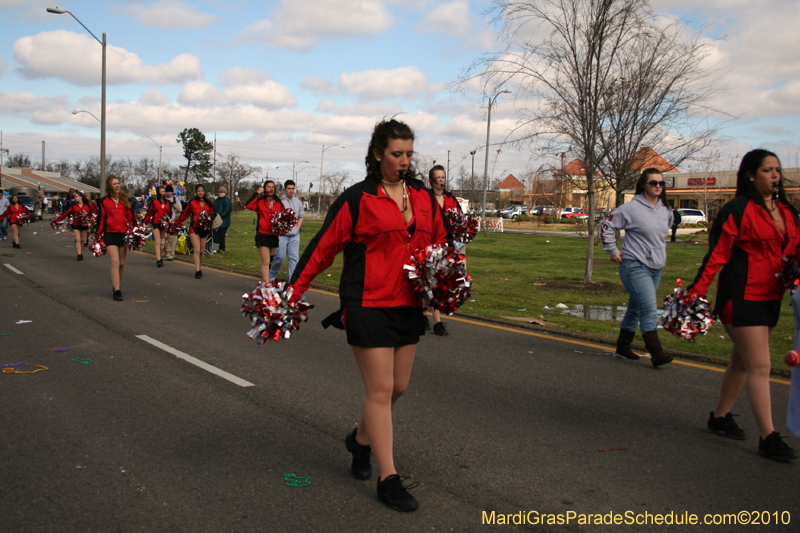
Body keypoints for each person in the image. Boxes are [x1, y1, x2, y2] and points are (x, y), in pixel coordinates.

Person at [289, 119, 450, 512]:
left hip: (408, 305)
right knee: (379, 391)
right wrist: (292, 292)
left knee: (398, 388)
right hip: (367, 304)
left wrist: (445, 282)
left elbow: (441, 246)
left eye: (410, 154)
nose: (405, 161)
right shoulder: (356, 199)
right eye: (397, 154)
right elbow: (322, 248)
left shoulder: (425, 198)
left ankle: (360, 442)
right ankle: (388, 477)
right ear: (378, 154)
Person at [689, 149, 799, 462]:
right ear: (750, 174)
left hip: (771, 297)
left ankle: (720, 416)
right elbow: (717, 255)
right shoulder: (737, 209)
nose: (775, 175)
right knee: (760, 367)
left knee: (742, 363)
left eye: (777, 170)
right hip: (741, 295)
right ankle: (769, 437)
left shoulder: (787, 211)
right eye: (767, 170)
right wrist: (697, 292)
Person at [600, 168, 673, 367]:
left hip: (655, 267)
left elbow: (667, 227)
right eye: (653, 183)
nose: (658, 186)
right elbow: (605, 224)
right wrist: (613, 250)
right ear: (643, 185)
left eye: (661, 183)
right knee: (649, 309)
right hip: (634, 266)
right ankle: (656, 353)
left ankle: (623, 346)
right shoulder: (631, 208)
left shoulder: (665, 209)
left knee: (636, 308)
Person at [428, 164, 462, 336]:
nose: (441, 180)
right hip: (430, 245)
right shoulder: (425, 198)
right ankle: (436, 322)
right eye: (438, 177)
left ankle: (428, 318)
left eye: (443, 177)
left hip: (448, 246)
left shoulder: (450, 198)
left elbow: (461, 222)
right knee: (431, 283)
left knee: (441, 284)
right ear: (431, 179)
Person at [96, 175, 134, 301]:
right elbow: (101, 220)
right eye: (114, 184)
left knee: (122, 264)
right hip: (110, 234)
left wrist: (134, 231)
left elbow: (130, 217)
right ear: (110, 186)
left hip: (123, 234)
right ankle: (117, 290)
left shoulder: (125, 200)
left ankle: (116, 284)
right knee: (115, 262)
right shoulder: (103, 201)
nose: (117, 185)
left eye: (118, 183)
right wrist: (98, 235)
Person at [245, 180, 283, 281]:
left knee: (271, 261)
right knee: (265, 261)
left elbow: (283, 217)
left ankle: (268, 280)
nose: (271, 189)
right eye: (268, 187)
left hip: (274, 235)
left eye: (272, 187)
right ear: (264, 188)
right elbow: (248, 205)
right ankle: (266, 285)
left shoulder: (278, 203)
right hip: (262, 234)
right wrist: (257, 193)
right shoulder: (260, 201)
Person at [177, 184, 215, 278]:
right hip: (194, 228)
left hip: (204, 229)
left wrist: (210, 218)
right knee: (197, 250)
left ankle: (200, 267)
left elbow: (213, 214)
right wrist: (176, 222)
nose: (200, 192)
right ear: (196, 192)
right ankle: (197, 270)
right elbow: (185, 214)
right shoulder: (192, 203)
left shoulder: (208, 203)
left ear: (204, 192)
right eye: (198, 190)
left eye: (202, 190)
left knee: (202, 251)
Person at [269, 180, 304, 280]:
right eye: (289, 188)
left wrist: (297, 228)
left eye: (292, 188)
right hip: (282, 235)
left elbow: (301, 216)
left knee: (294, 258)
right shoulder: (279, 202)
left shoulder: (298, 202)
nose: (291, 191)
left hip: (294, 235)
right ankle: (271, 276)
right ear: (285, 189)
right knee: (279, 257)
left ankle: (292, 281)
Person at [55, 190, 95, 260]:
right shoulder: (73, 206)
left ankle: (80, 251)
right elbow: (67, 213)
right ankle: (79, 254)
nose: (75, 198)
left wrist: (90, 220)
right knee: (78, 239)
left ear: (80, 197)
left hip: (84, 224)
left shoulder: (87, 206)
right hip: (76, 224)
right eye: (74, 196)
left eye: (76, 196)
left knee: (82, 240)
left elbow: (90, 215)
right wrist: (58, 219)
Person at [142, 186, 174, 268]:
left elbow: (170, 213)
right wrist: (143, 223)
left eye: (164, 191)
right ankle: (158, 259)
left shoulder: (168, 202)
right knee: (158, 242)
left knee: (162, 242)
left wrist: (169, 221)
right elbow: (149, 213)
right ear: (158, 192)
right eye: (161, 191)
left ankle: (161, 257)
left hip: (164, 224)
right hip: (156, 223)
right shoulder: (154, 202)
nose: (163, 193)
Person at [163, 184, 182, 261]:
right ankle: (165, 253)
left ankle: (170, 254)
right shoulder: (162, 199)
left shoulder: (175, 199)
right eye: (167, 191)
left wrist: (173, 204)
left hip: (172, 221)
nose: (168, 193)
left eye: (170, 191)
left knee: (172, 239)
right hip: (164, 221)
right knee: (164, 239)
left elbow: (180, 209)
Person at [213, 186, 233, 254]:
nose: (220, 193)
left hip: (224, 221)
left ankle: (222, 248)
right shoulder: (217, 200)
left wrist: (220, 215)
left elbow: (227, 210)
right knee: (217, 234)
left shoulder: (227, 200)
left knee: (222, 234)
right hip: (216, 220)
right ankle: (219, 247)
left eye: (221, 192)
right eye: (219, 192)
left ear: (225, 193)